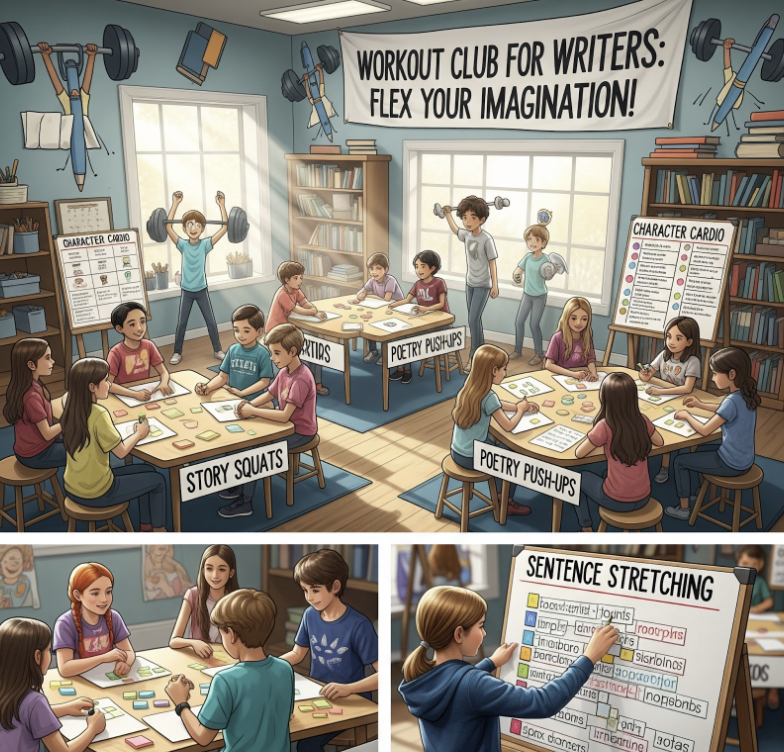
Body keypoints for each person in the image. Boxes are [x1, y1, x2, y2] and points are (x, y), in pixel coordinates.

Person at [398, 586, 618, 752]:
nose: (484, 634)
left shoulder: (420, 677)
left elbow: (456, 684)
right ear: (458, 634)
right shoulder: (474, 685)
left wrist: (490, 663)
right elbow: (543, 702)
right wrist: (588, 657)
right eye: (480, 626)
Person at [164, 589, 294, 752]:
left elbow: (203, 737)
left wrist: (181, 703)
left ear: (231, 634)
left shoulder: (226, 680)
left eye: (222, 632)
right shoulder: (284, 668)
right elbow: (286, 715)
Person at [281, 549, 378, 752]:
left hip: (352, 700)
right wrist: (269, 665)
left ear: (335, 586)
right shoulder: (310, 615)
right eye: (305, 590)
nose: (309, 597)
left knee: (306, 745)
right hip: (317, 693)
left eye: (315, 590)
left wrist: (348, 688)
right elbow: (298, 654)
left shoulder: (359, 625)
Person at [60, 358, 167, 532]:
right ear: (92, 387)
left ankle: (146, 525)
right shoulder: (98, 413)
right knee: (158, 480)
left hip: (72, 486)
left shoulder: (71, 408)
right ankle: (159, 530)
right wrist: (139, 434)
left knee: (148, 470)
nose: (109, 384)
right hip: (98, 491)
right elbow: (121, 452)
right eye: (106, 381)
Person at [231, 324, 318, 518]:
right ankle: (240, 484)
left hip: (300, 432)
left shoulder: (301, 379)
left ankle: (246, 502)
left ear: (293, 351)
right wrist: (247, 405)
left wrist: (253, 410)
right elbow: (269, 394)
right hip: (285, 427)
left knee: (255, 450)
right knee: (244, 438)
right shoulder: (284, 372)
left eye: (277, 353)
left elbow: (285, 415)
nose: (272, 358)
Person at [665, 347, 759, 521]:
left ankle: (684, 508)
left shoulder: (731, 401)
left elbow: (705, 430)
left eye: (715, 374)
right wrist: (700, 405)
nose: (713, 378)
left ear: (731, 374)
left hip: (730, 463)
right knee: (697, 450)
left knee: (679, 462)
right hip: (745, 459)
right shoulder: (745, 395)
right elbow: (724, 410)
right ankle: (697, 491)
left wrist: (687, 416)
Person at [451, 344, 538, 515]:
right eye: (504, 369)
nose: (505, 373)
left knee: (496, 443)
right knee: (512, 456)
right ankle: (505, 500)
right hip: (473, 457)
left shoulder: (469, 389)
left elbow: (496, 405)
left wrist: (517, 406)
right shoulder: (488, 396)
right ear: (493, 370)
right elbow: (508, 426)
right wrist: (520, 410)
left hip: (458, 452)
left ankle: (499, 492)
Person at [573, 372, 664, 531]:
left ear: (605, 397)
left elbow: (579, 453)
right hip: (644, 496)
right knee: (604, 472)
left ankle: (585, 527)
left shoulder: (605, 425)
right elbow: (660, 442)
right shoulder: (642, 420)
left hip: (616, 500)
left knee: (577, 479)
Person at [0, 617, 105, 752]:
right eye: (49, 650)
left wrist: (65, 708)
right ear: (37, 657)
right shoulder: (35, 701)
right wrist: (93, 729)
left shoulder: (7, 692)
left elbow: (23, 715)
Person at [166, 190, 227, 366]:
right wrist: (175, 203)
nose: (193, 228)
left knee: (211, 322)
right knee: (181, 324)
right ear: (184, 228)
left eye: (197, 225)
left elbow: (224, 227)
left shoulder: (206, 244)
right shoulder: (182, 245)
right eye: (190, 225)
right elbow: (168, 227)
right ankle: (177, 352)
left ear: (202, 228)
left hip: (201, 290)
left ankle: (217, 350)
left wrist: (221, 205)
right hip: (186, 290)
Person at [639, 316, 701, 484]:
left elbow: (687, 388)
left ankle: (665, 466)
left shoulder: (692, 361)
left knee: (667, 431)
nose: (671, 342)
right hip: (663, 401)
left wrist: (661, 391)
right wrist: (644, 374)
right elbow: (647, 375)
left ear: (689, 341)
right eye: (669, 336)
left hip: (682, 402)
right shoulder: (664, 356)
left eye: (678, 338)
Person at [440, 196, 499, 364]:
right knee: (475, 319)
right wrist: (447, 215)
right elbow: (455, 229)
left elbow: (492, 263)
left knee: (473, 319)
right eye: (465, 217)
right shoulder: (466, 235)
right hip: (470, 283)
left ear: (482, 219)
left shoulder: (486, 239)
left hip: (483, 285)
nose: (467, 221)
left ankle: (474, 355)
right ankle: (481, 351)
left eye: (472, 217)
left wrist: (495, 285)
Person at [53, 563, 136, 679]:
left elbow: (129, 652)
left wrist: (125, 663)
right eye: (95, 593)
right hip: (80, 682)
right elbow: (65, 669)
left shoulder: (114, 617)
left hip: (106, 679)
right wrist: (103, 658)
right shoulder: (65, 623)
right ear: (77, 595)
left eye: (108, 592)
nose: (104, 599)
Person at [267, 261, 330, 396]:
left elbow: (305, 303)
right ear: (286, 280)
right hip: (277, 331)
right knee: (302, 349)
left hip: (289, 327)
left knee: (316, 344)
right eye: (296, 278)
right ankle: (287, 384)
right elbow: (298, 310)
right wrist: (313, 312)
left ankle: (315, 381)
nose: (299, 281)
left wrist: (315, 311)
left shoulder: (296, 290)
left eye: (300, 278)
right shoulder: (282, 294)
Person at [388, 250, 450, 383]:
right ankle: (400, 368)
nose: (418, 270)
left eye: (423, 266)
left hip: (439, 324)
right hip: (423, 320)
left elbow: (441, 303)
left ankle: (408, 371)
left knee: (408, 337)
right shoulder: (418, 284)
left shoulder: (439, 283)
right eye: (416, 266)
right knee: (400, 334)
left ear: (432, 268)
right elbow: (407, 300)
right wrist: (393, 305)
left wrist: (426, 308)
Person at [4, 338, 66, 470]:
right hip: (37, 454)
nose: (53, 362)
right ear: (31, 365)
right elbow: (48, 433)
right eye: (48, 358)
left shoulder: (32, 385)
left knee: (78, 439)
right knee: (86, 450)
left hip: (34, 446)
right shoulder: (31, 397)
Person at [169, 545, 239, 658]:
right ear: (203, 570)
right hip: (200, 660)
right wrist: (193, 643)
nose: (215, 575)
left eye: (221, 569)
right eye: (209, 569)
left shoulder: (237, 600)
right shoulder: (192, 595)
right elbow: (174, 641)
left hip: (228, 660)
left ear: (231, 573)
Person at [736, 546, 778, 710]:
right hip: (740, 622)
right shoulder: (734, 579)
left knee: (771, 653)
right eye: (745, 562)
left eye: (753, 564)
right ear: (739, 562)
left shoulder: (759, 582)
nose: (748, 566)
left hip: (756, 621)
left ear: (760, 565)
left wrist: (757, 609)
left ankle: (773, 689)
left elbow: (769, 602)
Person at [107, 302, 171, 401]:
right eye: (132, 324)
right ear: (119, 328)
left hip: (143, 392)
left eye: (142, 322)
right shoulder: (115, 352)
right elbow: (108, 384)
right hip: (123, 395)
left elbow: (163, 372)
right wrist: (134, 394)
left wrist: (163, 383)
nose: (139, 328)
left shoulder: (149, 345)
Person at [511, 216, 551, 365]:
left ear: (543, 243)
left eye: (536, 240)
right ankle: (518, 350)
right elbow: (518, 270)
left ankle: (539, 354)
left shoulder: (545, 259)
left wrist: (551, 270)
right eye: (529, 239)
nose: (532, 243)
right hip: (527, 295)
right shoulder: (528, 257)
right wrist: (516, 276)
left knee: (534, 324)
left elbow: (548, 274)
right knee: (519, 322)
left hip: (539, 296)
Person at [354, 252, 404, 365]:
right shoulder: (372, 280)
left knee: (385, 329)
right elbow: (364, 290)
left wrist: (369, 295)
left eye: (378, 268)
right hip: (381, 309)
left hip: (396, 310)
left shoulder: (390, 280)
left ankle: (385, 354)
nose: (374, 272)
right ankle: (373, 350)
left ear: (385, 269)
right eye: (371, 268)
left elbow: (387, 299)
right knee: (370, 324)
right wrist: (362, 293)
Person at [544, 297, 598, 382]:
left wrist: (594, 373)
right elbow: (549, 365)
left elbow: (590, 360)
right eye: (574, 318)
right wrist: (573, 374)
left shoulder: (586, 337)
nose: (578, 323)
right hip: (562, 377)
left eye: (584, 319)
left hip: (581, 379)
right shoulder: (557, 337)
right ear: (566, 317)